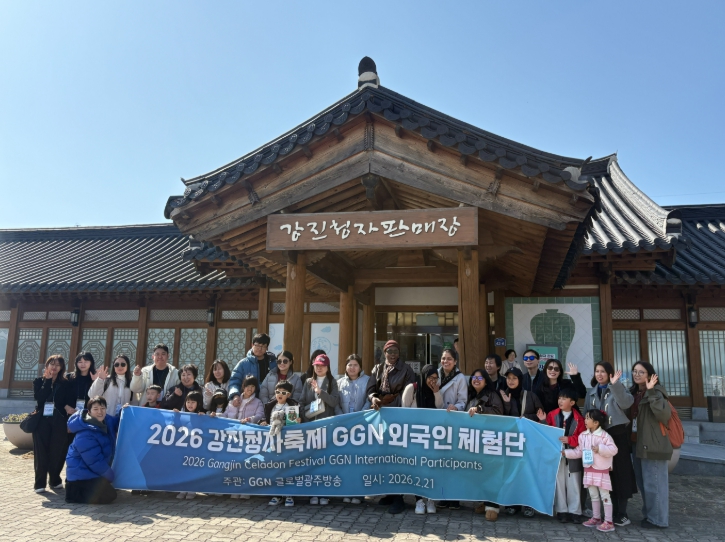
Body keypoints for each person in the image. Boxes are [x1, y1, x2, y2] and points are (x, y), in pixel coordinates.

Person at [366, 339, 416, 514]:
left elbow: (410, 393)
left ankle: (398, 498)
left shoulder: (406, 370)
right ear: (384, 353)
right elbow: (370, 389)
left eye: (395, 351)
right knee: (383, 455)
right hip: (381, 413)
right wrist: (374, 398)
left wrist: (391, 400)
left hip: (398, 414)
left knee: (397, 457)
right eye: (389, 351)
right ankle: (389, 493)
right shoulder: (377, 368)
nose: (392, 354)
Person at [585, 362, 636, 526]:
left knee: (621, 474)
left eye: (603, 371)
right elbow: (586, 414)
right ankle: (606, 513)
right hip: (598, 437)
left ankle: (622, 513)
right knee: (602, 474)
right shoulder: (591, 392)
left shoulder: (617, 388)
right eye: (597, 371)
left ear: (609, 374)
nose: (599, 374)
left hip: (617, 435)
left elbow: (626, 403)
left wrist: (615, 385)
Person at [629, 361, 672, 529]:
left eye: (641, 372)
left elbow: (663, 415)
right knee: (644, 483)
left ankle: (658, 520)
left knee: (655, 483)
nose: (637, 374)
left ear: (650, 375)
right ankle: (650, 515)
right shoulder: (634, 393)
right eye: (635, 371)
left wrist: (651, 391)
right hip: (637, 442)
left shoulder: (657, 392)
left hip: (653, 443)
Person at [499, 367, 545, 518]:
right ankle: (512, 504)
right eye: (508, 378)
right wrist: (506, 404)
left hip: (528, 440)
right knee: (511, 473)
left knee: (528, 473)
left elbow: (540, 415)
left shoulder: (530, 395)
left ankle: (528, 504)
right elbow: (500, 417)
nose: (511, 381)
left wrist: (525, 419)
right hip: (510, 440)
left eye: (514, 378)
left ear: (520, 380)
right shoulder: (503, 395)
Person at [565, 409, 619, 533]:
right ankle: (596, 518)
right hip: (588, 470)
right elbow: (579, 451)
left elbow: (614, 450)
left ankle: (609, 521)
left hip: (601, 470)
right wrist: (566, 453)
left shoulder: (604, 436)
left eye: (588, 418)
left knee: (605, 495)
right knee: (593, 495)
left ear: (596, 423)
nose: (585, 420)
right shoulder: (583, 436)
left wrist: (600, 448)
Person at [402, 364, 443, 515]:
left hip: (432, 437)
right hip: (415, 436)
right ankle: (419, 500)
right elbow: (404, 411)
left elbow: (440, 408)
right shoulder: (412, 389)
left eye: (436, 378)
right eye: (430, 377)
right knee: (417, 469)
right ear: (424, 376)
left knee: (431, 468)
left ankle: (430, 498)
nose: (433, 381)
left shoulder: (436, 390)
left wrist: (436, 393)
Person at [65, 396, 120, 504]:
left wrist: (125, 410)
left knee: (109, 492)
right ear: (89, 411)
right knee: (109, 496)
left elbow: (118, 421)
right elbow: (95, 461)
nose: (100, 412)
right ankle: (72, 493)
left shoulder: (106, 421)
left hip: (91, 472)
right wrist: (111, 476)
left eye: (103, 408)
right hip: (80, 475)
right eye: (96, 409)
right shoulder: (85, 434)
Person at [300, 354, 340, 506]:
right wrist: (307, 414)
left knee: (325, 461)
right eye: (317, 365)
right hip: (311, 427)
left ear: (327, 367)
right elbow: (301, 402)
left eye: (322, 365)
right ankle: (313, 493)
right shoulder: (308, 382)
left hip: (326, 426)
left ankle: (324, 493)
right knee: (312, 461)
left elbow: (334, 401)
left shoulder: (332, 382)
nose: (319, 368)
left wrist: (320, 392)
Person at [32, 355, 74, 493]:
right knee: (41, 452)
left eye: (58, 365)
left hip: (59, 420)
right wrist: (48, 381)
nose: (54, 367)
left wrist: (67, 407)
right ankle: (39, 483)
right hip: (42, 420)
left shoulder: (65, 383)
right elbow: (39, 398)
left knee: (58, 451)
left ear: (62, 368)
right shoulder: (39, 381)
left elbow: (68, 400)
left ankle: (54, 479)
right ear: (47, 365)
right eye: (52, 364)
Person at [467, 369, 504, 520]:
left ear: (486, 381)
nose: (476, 380)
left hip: (490, 440)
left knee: (491, 473)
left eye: (480, 378)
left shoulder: (492, 395)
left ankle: (493, 506)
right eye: (474, 377)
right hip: (475, 441)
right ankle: (484, 501)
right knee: (480, 473)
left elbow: (498, 412)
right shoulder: (471, 396)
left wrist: (480, 409)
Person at [546, 388, 585, 523]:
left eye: (564, 398)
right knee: (559, 482)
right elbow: (547, 432)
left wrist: (570, 440)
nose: (560, 401)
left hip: (573, 454)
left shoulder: (579, 419)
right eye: (559, 398)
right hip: (557, 453)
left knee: (574, 482)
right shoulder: (552, 415)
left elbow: (582, 438)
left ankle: (575, 511)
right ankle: (561, 510)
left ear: (572, 402)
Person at [263, 380, 301, 508]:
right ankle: (277, 494)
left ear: (289, 395)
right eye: (277, 391)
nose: (280, 394)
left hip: (288, 443)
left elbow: (298, 422)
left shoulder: (293, 406)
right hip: (274, 442)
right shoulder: (270, 406)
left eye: (284, 393)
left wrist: (299, 421)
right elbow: (266, 419)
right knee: (275, 468)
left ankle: (289, 495)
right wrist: (263, 422)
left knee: (289, 468)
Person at [229, 333, 277, 399]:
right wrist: (235, 395)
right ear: (252, 345)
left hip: (269, 399)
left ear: (267, 348)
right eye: (257, 345)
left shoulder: (273, 363)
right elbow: (234, 381)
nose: (260, 349)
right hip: (248, 399)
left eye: (263, 346)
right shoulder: (243, 363)